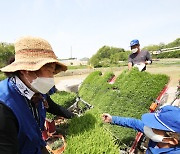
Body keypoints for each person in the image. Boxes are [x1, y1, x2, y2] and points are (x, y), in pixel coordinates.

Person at [0, 36, 74, 154]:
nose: (51, 78)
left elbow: (52, 106)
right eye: (49, 71)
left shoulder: (36, 90)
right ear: (25, 70)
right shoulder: (4, 106)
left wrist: (74, 117)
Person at [102, 105, 180, 153]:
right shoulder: (157, 137)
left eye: (154, 127)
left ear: (172, 141)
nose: (148, 127)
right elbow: (134, 123)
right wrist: (112, 119)